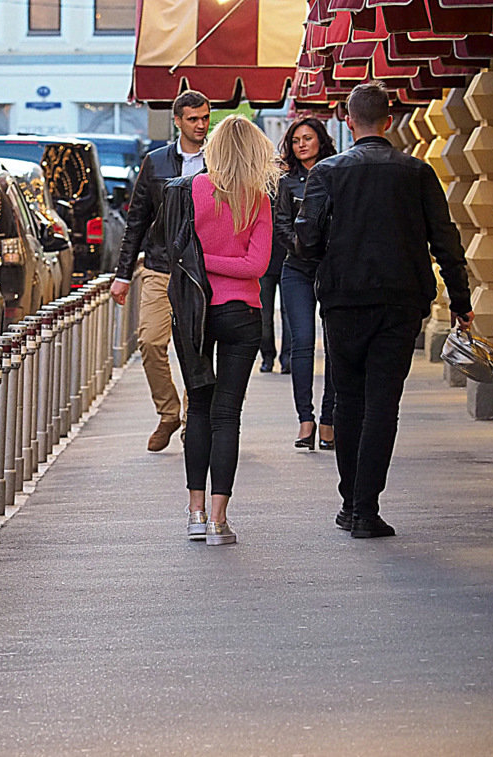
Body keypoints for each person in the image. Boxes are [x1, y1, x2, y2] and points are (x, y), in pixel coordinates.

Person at [294, 82, 473, 539]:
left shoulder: (328, 173)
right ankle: (366, 509)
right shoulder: (416, 172)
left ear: (348, 122)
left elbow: (306, 240)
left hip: (343, 300)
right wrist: (460, 301)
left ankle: (349, 504)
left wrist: (323, 270)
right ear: (389, 121)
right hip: (400, 301)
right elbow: (445, 240)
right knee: (382, 406)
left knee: (348, 400)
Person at [165, 115, 277, 546]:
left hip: (194, 312)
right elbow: (256, 266)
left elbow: (175, 253)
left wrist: (199, 262)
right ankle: (218, 520)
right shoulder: (258, 198)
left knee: (198, 408)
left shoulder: (190, 190)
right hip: (241, 312)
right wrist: (220, 263)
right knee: (227, 414)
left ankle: (193, 514)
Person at [111, 90, 210, 452]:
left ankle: (191, 419)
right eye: (194, 119)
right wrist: (122, 275)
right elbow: (137, 220)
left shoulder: (218, 160)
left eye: (205, 117)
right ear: (178, 121)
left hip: (204, 270)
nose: (201, 125)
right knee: (151, 341)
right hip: (159, 266)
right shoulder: (155, 162)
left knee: (197, 348)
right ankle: (168, 412)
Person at [275, 116, 338, 450]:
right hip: (296, 268)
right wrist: (301, 247)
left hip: (330, 269)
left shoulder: (335, 174)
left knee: (334, 345)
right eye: (296, 139)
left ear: (320, 141)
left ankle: (329, 420)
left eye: (308, 138)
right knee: (301, 342)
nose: (301, 144)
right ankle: (305, 420)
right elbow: (280, 224)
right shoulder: (286, 182)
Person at [258, 195, 291, 374]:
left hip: (288, 259)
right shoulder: (262, 191)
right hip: (265, 262)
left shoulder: (294, 184)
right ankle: (268, 356)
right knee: (264, 315)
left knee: (288, 314)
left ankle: (287, 358)